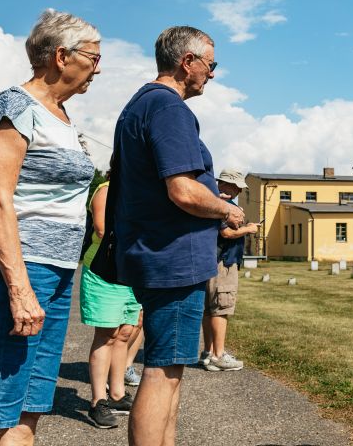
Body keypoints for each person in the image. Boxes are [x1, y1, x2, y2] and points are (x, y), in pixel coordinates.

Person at [0, 10, 101, 446]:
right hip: (22, 270)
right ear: (62, 55)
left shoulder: (58, 115)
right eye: (94, 57)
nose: (98, 68)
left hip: (56, 270)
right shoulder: (15, 105)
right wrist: (19, 289)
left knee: (28, 409)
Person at [111, 26, 246, 446]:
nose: (212, 74)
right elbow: (183, 190)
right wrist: (228, 208)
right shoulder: (169, 109)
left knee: (169, 371)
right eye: (211, 64)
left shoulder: (141, 104)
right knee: (162, 372)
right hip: (173, 260)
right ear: (187, 62)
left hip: (157, 253)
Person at [79, 179, 144, 428]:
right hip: (104, 270)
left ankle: (117, 395)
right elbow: (102, 229)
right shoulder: (107, 190)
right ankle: (98, 401)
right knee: (106, 334)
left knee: (125, 333)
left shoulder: (139, 190)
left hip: (129, 272)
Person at [199, 169, 260, 372]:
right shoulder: (222, 205)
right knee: (221, 308)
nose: (238, 192)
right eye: (236, 187)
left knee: (209, 309)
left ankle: (208, 353)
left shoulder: (209, 200)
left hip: (211, 260)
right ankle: (218, 355)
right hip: (223, 262)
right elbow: (225, 232)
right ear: (225, 184)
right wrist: (249, 229)